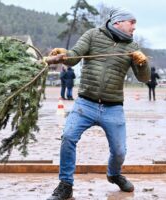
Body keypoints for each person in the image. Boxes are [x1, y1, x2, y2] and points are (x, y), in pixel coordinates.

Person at [45, 7, 150, 200]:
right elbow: (75, 56)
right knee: (68, 137)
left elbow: (144, 78)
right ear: (118, 22)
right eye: (132, 23)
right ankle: (65, 184)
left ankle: (114, 174)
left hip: (113, 107)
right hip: (85, 104)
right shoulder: (92, 35)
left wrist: (143, 63)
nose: (134, 27)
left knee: (119, 151)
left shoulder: (132, 47)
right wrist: (63, 53)